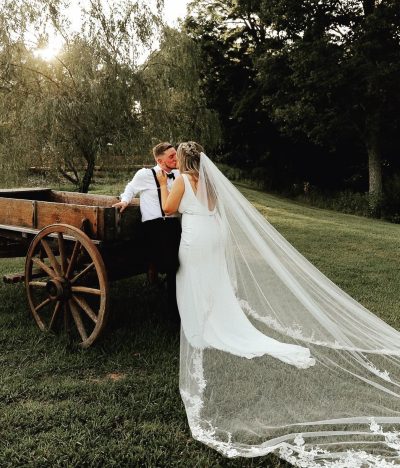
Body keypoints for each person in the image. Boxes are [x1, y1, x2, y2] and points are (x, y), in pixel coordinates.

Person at [156, 141, 400, 466]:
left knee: (193, 283)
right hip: (214, 236)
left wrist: (162, 184)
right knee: (212, 283)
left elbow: (169, 209)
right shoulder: (212, 182)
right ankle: (214, 320)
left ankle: (201, 327)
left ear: (183, 160)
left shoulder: (183, 180)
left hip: (196, 239)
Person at [113, 142, 181, 321]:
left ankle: (176, 304)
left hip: (175, 224)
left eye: (176, 155)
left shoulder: (179, 174)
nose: (176, 158)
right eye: (171, 156)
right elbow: (131, 187)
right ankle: (173, 314)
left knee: (181, 264)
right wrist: (125, 201)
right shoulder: (145, 174)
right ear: (159, 160)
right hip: (156, 226)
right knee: (172, 266)